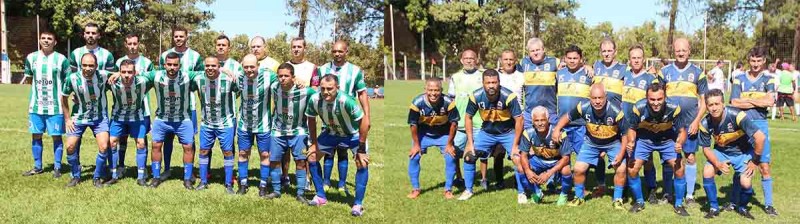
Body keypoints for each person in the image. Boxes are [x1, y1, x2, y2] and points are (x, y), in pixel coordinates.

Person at [112, 52, 202, 189]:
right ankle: (155, 177)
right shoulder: (156, 75)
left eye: (175, 65)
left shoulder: (187, 75)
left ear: (180, 66)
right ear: (164, 65)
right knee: (156, 146)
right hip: (162, 119)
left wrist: (222, 69)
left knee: (188, 147)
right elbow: (135, 76)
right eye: (169, 64)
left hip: (183, 119)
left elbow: (207, 72)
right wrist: (119, 74)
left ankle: (187, 178)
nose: (172, 67)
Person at [552, 83, 627, 208]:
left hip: (613, 143)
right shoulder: (583, 107)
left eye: (600, 98)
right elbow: (567, 117)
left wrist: (621, 153)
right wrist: (557, 129)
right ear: (589, 97)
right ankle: (579, 197)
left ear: (605, 97)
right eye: (594, 98)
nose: (597, 101)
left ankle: (617, 199)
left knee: (621, 169)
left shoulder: (616, 112)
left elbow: (625, 134)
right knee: (578, 169)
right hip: (591, 143)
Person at [305, 74, 371, 217]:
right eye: (322, 88)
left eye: (330, 88)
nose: (326, 92)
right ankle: (321, 196)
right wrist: (314, 144)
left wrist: (360, 149)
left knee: (362, 163)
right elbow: (311, 120)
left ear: (338, 88)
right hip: (331, 133)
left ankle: (358, 204)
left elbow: (364, 122)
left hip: (352, 135)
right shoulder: (315, 99)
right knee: (312, 157)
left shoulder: (346, 100)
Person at [699, 89, 767, 220]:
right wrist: (717, 163)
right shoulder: (705, 124)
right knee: (707, 171)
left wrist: (755, 161)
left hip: (744, 152)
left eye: (717, 104)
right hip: (722, 152)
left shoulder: (737, 115)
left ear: (723, 104)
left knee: (746, 183)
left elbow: (760, 137)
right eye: (710, 105)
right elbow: (706, 149)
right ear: (706, 106)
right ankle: (714, 208)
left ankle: (742, 207)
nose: (714, 108)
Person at [459, 69, 523, 201]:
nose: (491, 85)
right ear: (483, 83)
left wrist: (516, 145)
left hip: (507, 133)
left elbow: (519, 119)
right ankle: (468, 190)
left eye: (494, 82)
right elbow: (468, 117)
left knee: (518, 158)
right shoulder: (475, 96)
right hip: (486, 133)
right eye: (488, 83)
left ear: (499, 82)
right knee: (469, 157)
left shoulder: (509, 96)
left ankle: (522, 192)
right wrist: (470, 143)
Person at [317, 40, 372, 194]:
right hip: (328, 116)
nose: (337, 54)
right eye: (334, 51)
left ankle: (341, 184)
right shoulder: (322, 69)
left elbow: (362, 93)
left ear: (346, 52)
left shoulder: (355, 70)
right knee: (329, 151)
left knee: (343, 152)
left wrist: (367, 116)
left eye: (340, 51)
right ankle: (326, 182)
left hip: (348, 117)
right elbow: (316, 91)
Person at [729, 47, 778, 216]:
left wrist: (747, 99)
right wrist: (759, 100)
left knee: (764, 166)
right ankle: (734, 201)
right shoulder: (738, 79)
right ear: (749, 61)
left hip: (760, 125)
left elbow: (770, 101)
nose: (755, 64)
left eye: (759, 61)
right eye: (752, 61)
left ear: (764, 61)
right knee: (739, 165)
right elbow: (734, 102)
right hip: (741, 125)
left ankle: (769, 204)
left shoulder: (769, 79)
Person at [624, 82, 686, 213]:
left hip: (667, 140)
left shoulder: (674, 108)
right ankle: (639, 202)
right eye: (652, 99)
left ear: (665, 97)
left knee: (680, 168)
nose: (656, 103)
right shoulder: (638, 108)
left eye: (659, 99)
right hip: (645, 139)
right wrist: (631, 141)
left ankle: (679, 204)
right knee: (632, 168)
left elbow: (682, 131)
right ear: (647, 98)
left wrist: (680, 142)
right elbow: (631, 129)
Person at [662, 38, 707, 208]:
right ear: (674, 51)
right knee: (668, 158)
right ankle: (667, 192)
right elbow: (658, 98)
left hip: (690, 123)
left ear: (689, 51)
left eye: (684, 50)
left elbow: (704, 101)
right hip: (669, 124)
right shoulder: (664, 72)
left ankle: (689, 195)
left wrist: (697, 121)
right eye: (677, 50)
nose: (681, 53)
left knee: (690, 156)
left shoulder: (698, 73)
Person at [265, 63, 316, 204]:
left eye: (286, 76)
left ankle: (300, 193)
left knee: (300, 161)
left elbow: (320, 96)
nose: (282, 78)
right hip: (278, 131)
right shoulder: (274, 87)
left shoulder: (306, 91)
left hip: (298, 131)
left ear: (293, 77)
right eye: (280, 76)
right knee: (274, 161)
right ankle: (276, 190)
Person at [21, 31, 70, 178]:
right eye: (43, 38)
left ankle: (57, 167)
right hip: (36, 106)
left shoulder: (61, 59)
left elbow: (67, 81)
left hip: (56, 106)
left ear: (55, 42)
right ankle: (37, 166)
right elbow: (29, 79)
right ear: (39, 40)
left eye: (50, 39)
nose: (46, 41)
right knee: (36, 135)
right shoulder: (31, 58)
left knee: (56, 136)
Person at [158, 26, 204, 180]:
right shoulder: (165, 55)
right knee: (167, 138)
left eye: (181, 36)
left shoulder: (195, 56)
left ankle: (189, 172)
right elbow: (160, 77)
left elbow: (200, 78)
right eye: (176, 36)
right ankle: (167, 168)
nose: (178, 39)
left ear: (186, 37)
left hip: (188, 105)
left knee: (189, 140)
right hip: (167, 106)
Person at [60, 53, 111, 188]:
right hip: (78, 117)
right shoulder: (72, 78)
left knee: (104, 146)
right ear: (80, 65)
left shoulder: (103, 75)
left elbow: (120, 74)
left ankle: (97, 177)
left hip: (99, 117)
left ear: (96, 66)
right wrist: (67, 119)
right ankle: (76, 175)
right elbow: (63, 97)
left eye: (91, 65)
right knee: (70, 146)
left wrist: (117, 74)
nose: (87, 68)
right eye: (85, 65)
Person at [406, 78, 460, 199]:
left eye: (436, 90)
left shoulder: (448, 102)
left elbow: (454, 124)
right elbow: (413, 124)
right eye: (430, 90)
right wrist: (416, 144)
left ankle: (448, 189)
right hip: (423, 134)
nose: (433, 93)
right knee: (414, 157)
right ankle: (415, 189)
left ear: (441, 90)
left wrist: (450, 144)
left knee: (450, 157)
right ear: (425, 89)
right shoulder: (417, 103)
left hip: (443, 135)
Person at [112, 33, 155, 181]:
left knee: (141, 139)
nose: (132, 46)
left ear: (138, 44)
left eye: (135, 43)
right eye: (129, 43)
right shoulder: (119, 61)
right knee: (121, 138)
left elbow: (152, 81)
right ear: (126, 44)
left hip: (142, 108)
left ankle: (144, 170)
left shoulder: (147, 62)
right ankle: (121, 166)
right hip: (122, 109)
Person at [192, 56, 239, 193]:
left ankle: (228, 184)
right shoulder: (198, 78)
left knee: (227, 152)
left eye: (213, 66)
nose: (210, 68)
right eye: (207, 66)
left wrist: (228, 72)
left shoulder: (228, 80)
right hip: (207, 123)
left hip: (225, 123)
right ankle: (203, 181)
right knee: (203, 151)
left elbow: (241, 90)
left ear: (219, 66)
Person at [588, 37, 627, 197]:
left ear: (615, 51)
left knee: (621, 152)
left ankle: (622, 188)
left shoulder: (624, 69)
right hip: (599, 118)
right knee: (598, 152)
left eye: (610, 50)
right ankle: (601, 184)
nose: (607, 54)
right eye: (604, 51)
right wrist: (586, 66)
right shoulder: (595, 67)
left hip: (617, 119)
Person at [236, 54, 277, 196]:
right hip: (244, 124)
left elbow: (285, 79)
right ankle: (243, 183)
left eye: (252, 67)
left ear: (258, 66)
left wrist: (297, 80)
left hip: (263, 125)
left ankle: (263, 184)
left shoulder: (269, 76)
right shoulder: (239, 77)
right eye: (246, 67)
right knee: (243, 153)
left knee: (265, 154)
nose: (249, 70)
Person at [107, 59, 153, 187]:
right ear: (119, 72)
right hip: (118, 116)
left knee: (141, 143)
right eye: (123, 72)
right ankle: (114, 174)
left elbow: (157, 74)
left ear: (135, 72)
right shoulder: (112, 81)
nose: (126, 75)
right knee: (112, 142)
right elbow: (93, 73)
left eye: (130, 72)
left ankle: (141, 176)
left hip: (137, 117)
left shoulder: (143, 81)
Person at [515, 106, 573, 205]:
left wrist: (548, 174)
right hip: (539, 160)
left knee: (566, 169)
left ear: (548, 120)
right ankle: (536, 193)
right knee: (520, 168)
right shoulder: (528, 133)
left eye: (543, 120)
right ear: (532, 121)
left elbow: (566, 158)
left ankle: (564, 195)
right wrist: (528, 171)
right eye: (536, 120)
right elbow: (523, 155)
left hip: (556, 161)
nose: (540, 123)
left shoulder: (559, 133)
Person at [447, 49, 482, 191]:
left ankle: (477, 181)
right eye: (466, 58)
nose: (469, 61)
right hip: (460, 122)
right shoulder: (455, 77)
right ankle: (459, 177)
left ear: (476, 60)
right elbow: (451, 99)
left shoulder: (482, 76)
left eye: (472, 58)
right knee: (453, 152)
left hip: (479, 122)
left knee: (473, 153)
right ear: (461, 60)